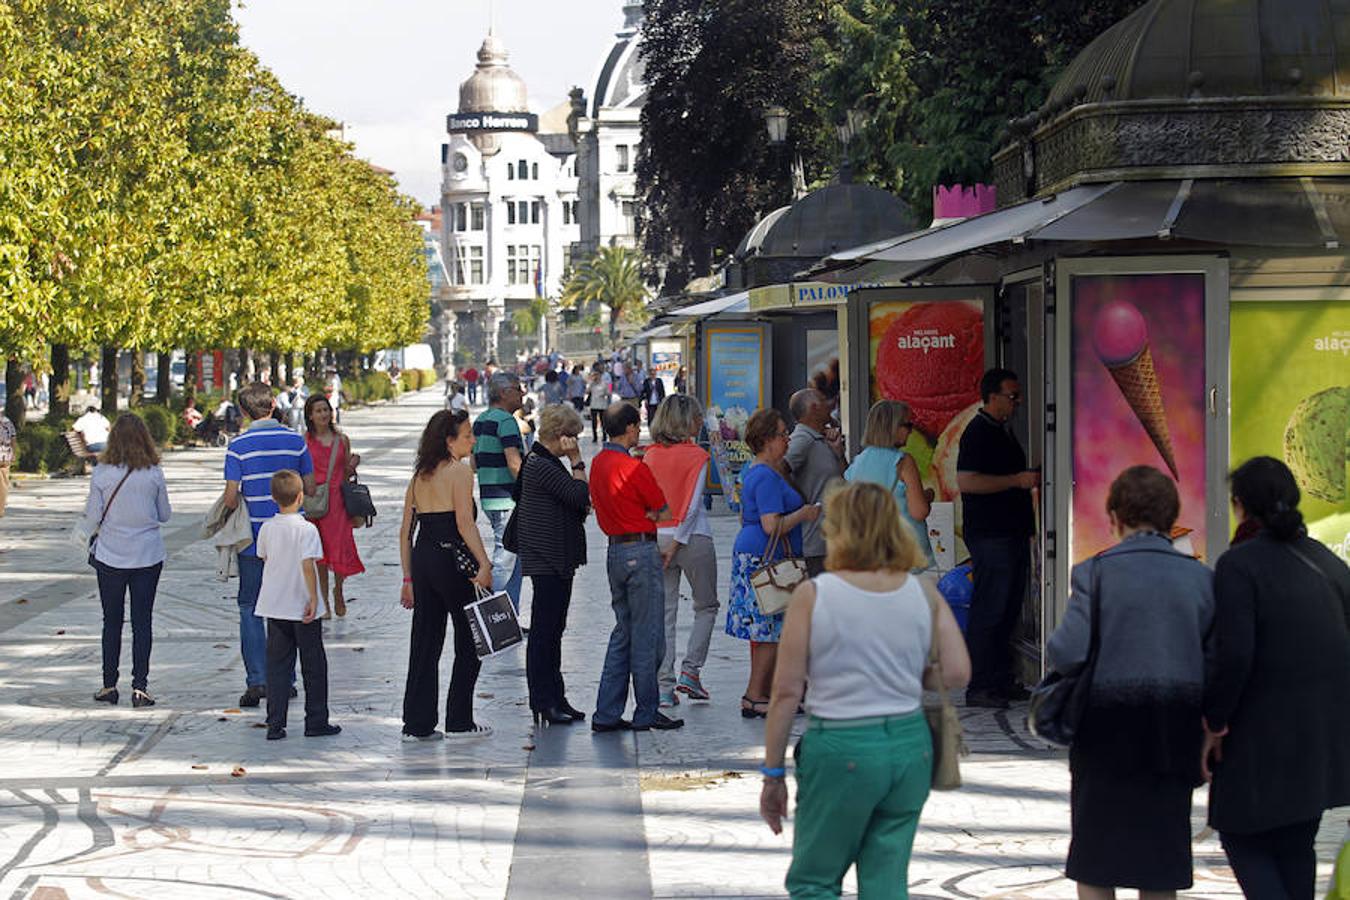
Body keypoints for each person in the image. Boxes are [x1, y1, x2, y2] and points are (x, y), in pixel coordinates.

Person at [759, 481, 970, 898]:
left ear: (839, 530)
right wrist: (912, 675)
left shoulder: (815, 595)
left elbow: (785, 692)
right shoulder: (923, 591)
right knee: (886, 882)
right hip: (910, 748)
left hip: (841, 744)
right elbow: (958, 671)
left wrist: (772, 775)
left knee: (815, 881)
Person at [1046, 466, 1213, 899]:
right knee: (1160, 862)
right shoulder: (1200, 579)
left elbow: (1066, 651)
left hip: (1105, 733)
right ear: (1168, 517)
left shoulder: (1093, 575)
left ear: (1115, 518)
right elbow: (1216, 659)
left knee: (1097, 860)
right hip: (1173, 733)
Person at [1202, 456, 1350, 900]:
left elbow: (1236, 654)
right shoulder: (1328, 564)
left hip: (1257, 735)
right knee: (1295, 844)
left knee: (1241, 837)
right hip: (1319, 739)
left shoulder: (1240, 565)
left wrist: (1215, 722)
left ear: (1241, 505)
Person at [398, 409, 493, 739]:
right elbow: (465, 524)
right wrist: (484, 564)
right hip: (452, 559)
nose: (473, 440)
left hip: (424, 558)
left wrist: (408, 578)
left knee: (424, 640)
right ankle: (459, 720)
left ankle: (417, 724)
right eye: (467, 435)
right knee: (470, 639)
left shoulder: (419, 476)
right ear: (449, 441)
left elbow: (404, 532)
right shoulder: (460, 472)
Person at [589, 402, 683, 732]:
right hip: (641, 550)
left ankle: (606, 712)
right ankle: (646, 711)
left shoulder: (598, 463)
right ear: (630, 428)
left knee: (623, 632)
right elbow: (661, 508)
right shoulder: (634, 467)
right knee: (647, 636)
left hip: (614, 551)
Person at [223, 383, 315, 708]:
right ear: (274, 405)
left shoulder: (238, 446)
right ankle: (286, 679)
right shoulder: (295, 441)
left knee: (250, 606)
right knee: (289, 605)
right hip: (293, 538)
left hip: (254, 540)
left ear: (244, 411)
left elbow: (232, 498)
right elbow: (311, 486)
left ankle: (257, 680)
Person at [727, 408, 821, 719]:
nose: (788, 439)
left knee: (769, 629)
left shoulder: (757, 471)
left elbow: (746, 516)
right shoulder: (766, 476)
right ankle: (754, 694)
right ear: (768, 440)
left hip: (757, 555)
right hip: (766, 559)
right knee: (767, 631)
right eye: (783, 434)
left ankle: (762, 692)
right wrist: (804, 514)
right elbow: (771, 525)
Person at [956, 367, 1039, 708]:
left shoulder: (1002, 431)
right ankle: (980, 684)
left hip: (1012, 532)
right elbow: (967, 481)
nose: (1017, 403)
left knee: (1007, 609)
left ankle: (1002, 678)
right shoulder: (978, 432)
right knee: (990, 607)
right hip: (991, 534)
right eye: (1012, 396)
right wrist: (1016, 481)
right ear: (992, 397)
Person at [86, 414, 172, 709]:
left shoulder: (101, 472)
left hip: (110, 554)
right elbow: (165, 514)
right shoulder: (153, 472)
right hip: (147, 555)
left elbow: (93, 516)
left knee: (111, 621)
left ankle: (109, 684)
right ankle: (140, 686)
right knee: (142, 621)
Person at [516, 404, 591, 725]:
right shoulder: (541, 464)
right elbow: (578, 496)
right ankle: (543, 700)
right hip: (547, 559)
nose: (575, 442)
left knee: (553, 631)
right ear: (561, 437)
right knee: (545, 633)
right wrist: (577, 462)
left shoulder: (544, 462)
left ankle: (556, 697)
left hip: (555, 558)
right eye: (572, 437)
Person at [643, 395, 719, 707]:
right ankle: (691, 671)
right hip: (692, 537)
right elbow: (690, 506)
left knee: (665, 613)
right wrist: (677, 543)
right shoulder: (697, 456)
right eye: (698, 417)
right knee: (706, 605)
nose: (701, 422)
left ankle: (664, 686)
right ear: (688, 420)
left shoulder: (650, 455)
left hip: (656, 535)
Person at [254, 470, 340, 741]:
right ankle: (316, 720)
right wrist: (314, 599)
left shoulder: (267, 528)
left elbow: (264, 557)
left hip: (274, 606)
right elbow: (307, 565)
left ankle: (275, 723)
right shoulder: (307, 529)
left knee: (277, 667)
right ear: (301, 497)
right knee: (313, 665)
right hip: (302, 607)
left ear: (273, 498)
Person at [844, 400, 935, 570]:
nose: (911, 431)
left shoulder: (857, 463)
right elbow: (919, 511)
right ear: (892, 427)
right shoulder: (902, 462)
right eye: (907, 425)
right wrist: (927, 496)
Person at [302, 394, 364, 619]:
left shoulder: (342, 440)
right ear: (310, 415)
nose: (323, 414)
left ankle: (339, 590)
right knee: (319, 553)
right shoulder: (305, 441)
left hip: (337, 502)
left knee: (338, 549)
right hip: (312, 502)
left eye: (326, 410)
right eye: (318, 411)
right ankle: (324, 600)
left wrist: (352, 464)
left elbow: (346, 471)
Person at [473, 372, 526, 612]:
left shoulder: (482, 420)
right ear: (504, 393)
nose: (522, 393)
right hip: (507, 499)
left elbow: (474, 463)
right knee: (505, 559)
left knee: (514, 559)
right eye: (518, 388)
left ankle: (510, 615)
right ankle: (496, 615)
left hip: (490, 496)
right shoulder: (506, 421)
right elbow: (514, 464)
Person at [785, 388, 847, 576]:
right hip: (815, 543)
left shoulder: (820, 438)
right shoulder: (802, 439)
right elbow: (780, 469)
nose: (829, 404)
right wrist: (801, 499)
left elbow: (845, 479)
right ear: (814, 408)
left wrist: (838, 453)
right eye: (823, 400)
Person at [587, 369, 611, 442]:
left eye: (597, 375)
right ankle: (595, 436)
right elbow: (587, 391)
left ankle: (604, 436)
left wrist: (604, 394)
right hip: (594, 404)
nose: (596, 377)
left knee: (602, 421)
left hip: (602, 405)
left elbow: (608, 393)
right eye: (594, 375)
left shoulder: (604, 384)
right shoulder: (592, 384)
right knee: (594, 421)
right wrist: (591, 384)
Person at [0, 411, 14, 517]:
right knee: (4, 483)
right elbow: (13, 438)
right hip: (6, 454)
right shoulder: (7, 421)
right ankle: (1, 509)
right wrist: (13, 452)